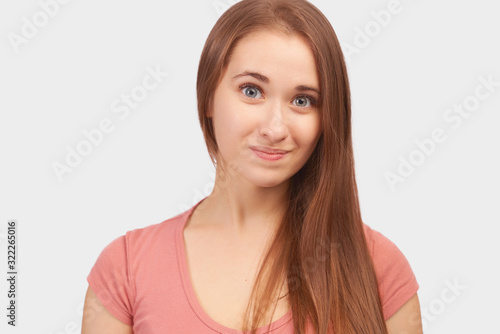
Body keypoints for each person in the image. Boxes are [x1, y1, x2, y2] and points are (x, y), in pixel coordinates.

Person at [81, 0, 422, 333]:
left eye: (302, 101)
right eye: (252, 91)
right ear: (208, 96)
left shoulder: (379, 268)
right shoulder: (125, 268)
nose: (274, 129)